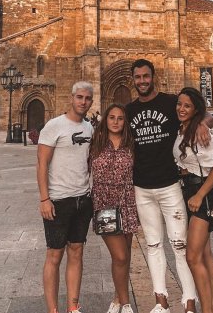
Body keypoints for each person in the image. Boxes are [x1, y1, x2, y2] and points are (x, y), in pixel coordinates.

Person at [125, 59, 211, 313]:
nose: (142, 81)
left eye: (146, 76)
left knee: (179, 244)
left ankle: (189, 302)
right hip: (142, 188)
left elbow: (201, 113)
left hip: (170, 185)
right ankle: (160, 301)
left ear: (153, 77)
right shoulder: (129, 110)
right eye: (138, 77)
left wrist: (203, 124)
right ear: (133, 80)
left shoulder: (169, 102)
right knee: (153, 244)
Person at [37, 82, 94, 313]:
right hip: (58, 200)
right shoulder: (54, 126)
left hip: (83, 199)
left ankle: (73, 307)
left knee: (77, 251)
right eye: (79, 97)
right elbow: (42, 163)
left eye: (87, 98)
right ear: (72, 98)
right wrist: (44, 199)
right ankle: (53, 310)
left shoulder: (89, 128)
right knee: (54, 254)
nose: (83, 102)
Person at [174, 87, 213, 313]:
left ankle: (206, 309)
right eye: (179, 104)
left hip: (201, 195)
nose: (181, 109)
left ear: (195, 109)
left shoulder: (197, 131)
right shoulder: (183, 129)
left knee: (193, 257)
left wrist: (199, 195)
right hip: (189, 192)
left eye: (187, 105)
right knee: (204, 253)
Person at [90, 103, 138, 313]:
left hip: (128, 203)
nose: (116, 122)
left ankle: (118, 298)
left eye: (120, 118)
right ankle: (127, 304)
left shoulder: (132, 143)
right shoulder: (95, 142)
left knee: (124, 256)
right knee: (119, 256)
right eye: (112, 117)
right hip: (104, 206)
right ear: (105, 120)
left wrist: (201, 122)